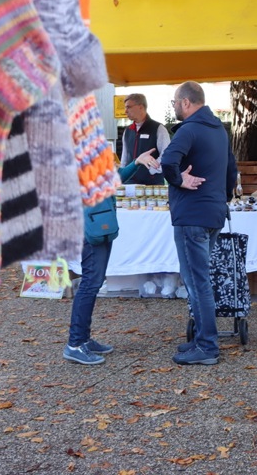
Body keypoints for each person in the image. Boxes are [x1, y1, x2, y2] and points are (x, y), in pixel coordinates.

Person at [159, 81, 237, 366]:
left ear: (186, 102)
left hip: (191, 215)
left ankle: (206, 345)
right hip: (213, 212)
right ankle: (202, 339)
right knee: (200, 280)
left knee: (197, 281)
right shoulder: (219, 130)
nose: (174, 107)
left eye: (174, 103)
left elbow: (168, 162)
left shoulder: (189, 129)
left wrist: (179, 179)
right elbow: (231, 170)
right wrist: (221, 198)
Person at [63, 208, 118, 366]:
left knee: (94, 281)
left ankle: (83, 339)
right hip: (90, 221)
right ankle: (75, 344)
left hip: (98, 218)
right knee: (90, 283)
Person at [120, 93, 171, 184]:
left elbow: (166, 154)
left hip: (151, 184)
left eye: (128, 107)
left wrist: (152, 169)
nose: (125, 111)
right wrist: (122, 175)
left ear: (141, 107)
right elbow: (124, 158)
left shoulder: (158, 128)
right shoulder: (127, 131)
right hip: (129, 184)